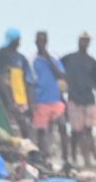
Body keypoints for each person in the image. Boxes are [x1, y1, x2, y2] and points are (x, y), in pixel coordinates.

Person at [60, 33, 96, 170]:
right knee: (76, 131)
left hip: (89, 98)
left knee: (88, 129)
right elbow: (56, 69)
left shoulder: (92, 62)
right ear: (78, 41)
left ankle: (90, 158)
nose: (84, 43)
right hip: (74, 98)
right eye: (82, 40)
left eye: (86, 41)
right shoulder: (69, 59)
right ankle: (73, 156)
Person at [28, 31, 68, 166]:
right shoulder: (32, 61)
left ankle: (66, 158)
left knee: (62, 125)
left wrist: (48, 59)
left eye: (44, 41)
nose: (41, 44)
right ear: (35, 42)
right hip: (41, 101)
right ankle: (44, 158)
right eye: (39, 41)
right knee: (42, 131)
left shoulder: (54, 58)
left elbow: (61, 75)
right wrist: (31, 103)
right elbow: (30, 83)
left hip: (55, 100)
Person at [0, 29, 33, 137]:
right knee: (8, 129)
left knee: (24, 128)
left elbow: (27, 81)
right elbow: (0, 79)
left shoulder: (21, 58)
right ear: (16, 40)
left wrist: (29, 103)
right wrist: (10, 103)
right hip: (3, 100)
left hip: (20, 100)